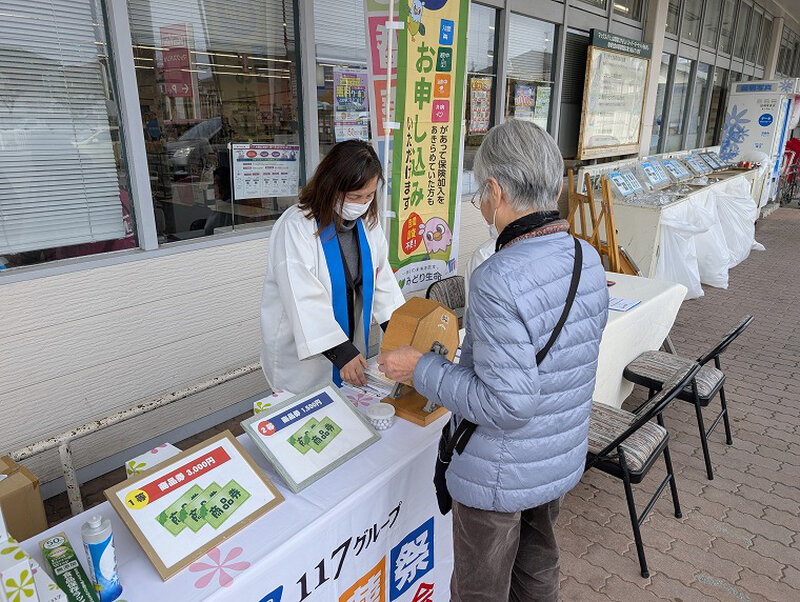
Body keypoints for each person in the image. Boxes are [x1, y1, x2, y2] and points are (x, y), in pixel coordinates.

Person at [378, 120, 609, 602]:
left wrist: (419, 367)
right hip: (556, 458)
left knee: (480, 591)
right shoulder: (587, 257)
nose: (480, 204)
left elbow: (506, 403)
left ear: (496, 191)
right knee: (538, 571)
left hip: (498, 475)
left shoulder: (497, 276)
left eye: (480, 193)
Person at [260, 140, 405, 393]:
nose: (361, 204)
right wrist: (341, 351)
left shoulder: (367, 224)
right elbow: (303, 297)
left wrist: (399, 332)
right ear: (330, 186)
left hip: (348, 342)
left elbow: (382, 282)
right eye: (354, 196)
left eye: (369, 196)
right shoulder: (297, 226)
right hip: (305, 359)